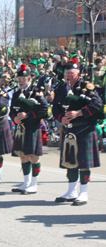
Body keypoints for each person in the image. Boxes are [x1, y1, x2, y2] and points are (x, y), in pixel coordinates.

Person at [53, 59, 102, 206]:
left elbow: (97, 105)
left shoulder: (86, 86)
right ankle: (71, 191)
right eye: (66, 73)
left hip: (84, 128)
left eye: (71, 73)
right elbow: (55, 108)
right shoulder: (60, 89)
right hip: (69, 129)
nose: (68, 76)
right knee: (70, 161)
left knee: (83, 163)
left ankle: (84, 193)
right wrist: (62, 118)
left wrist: (78, 113)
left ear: (78, 74)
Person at [10, 64, 49, 194]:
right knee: (22, 155)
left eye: (23, 77)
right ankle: (26, 183)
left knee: (33, 156)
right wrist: (14, 118)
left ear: (30, 78)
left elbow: (44, 108)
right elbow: (11, 111)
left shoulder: (37, 91)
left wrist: (28, 115)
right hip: (20, 128)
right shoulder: (16, 93)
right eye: (19, 77)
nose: (20, 80)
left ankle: (34, 184)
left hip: (32, 127)